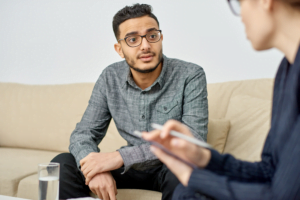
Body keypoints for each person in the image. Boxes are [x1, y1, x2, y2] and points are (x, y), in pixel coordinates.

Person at [143, 0, 300, 199]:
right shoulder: (287, 70)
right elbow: (268, 172)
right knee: (188, 191)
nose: (241, 16)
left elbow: (282, 196)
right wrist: (203, 157)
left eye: (238, 3)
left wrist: (191, 176)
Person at [51, 3, 208, 200]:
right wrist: (95, 170)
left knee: (189, 174)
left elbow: (193, 139)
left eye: (152, 36)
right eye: (132, 39)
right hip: (128, 170)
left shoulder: (190, 75)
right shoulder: (110, 77)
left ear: (161, 38)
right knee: (60, 165)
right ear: (119, 49)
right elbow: (83, 134)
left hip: (170, 167)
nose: (145, 45)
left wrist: (119, 157)